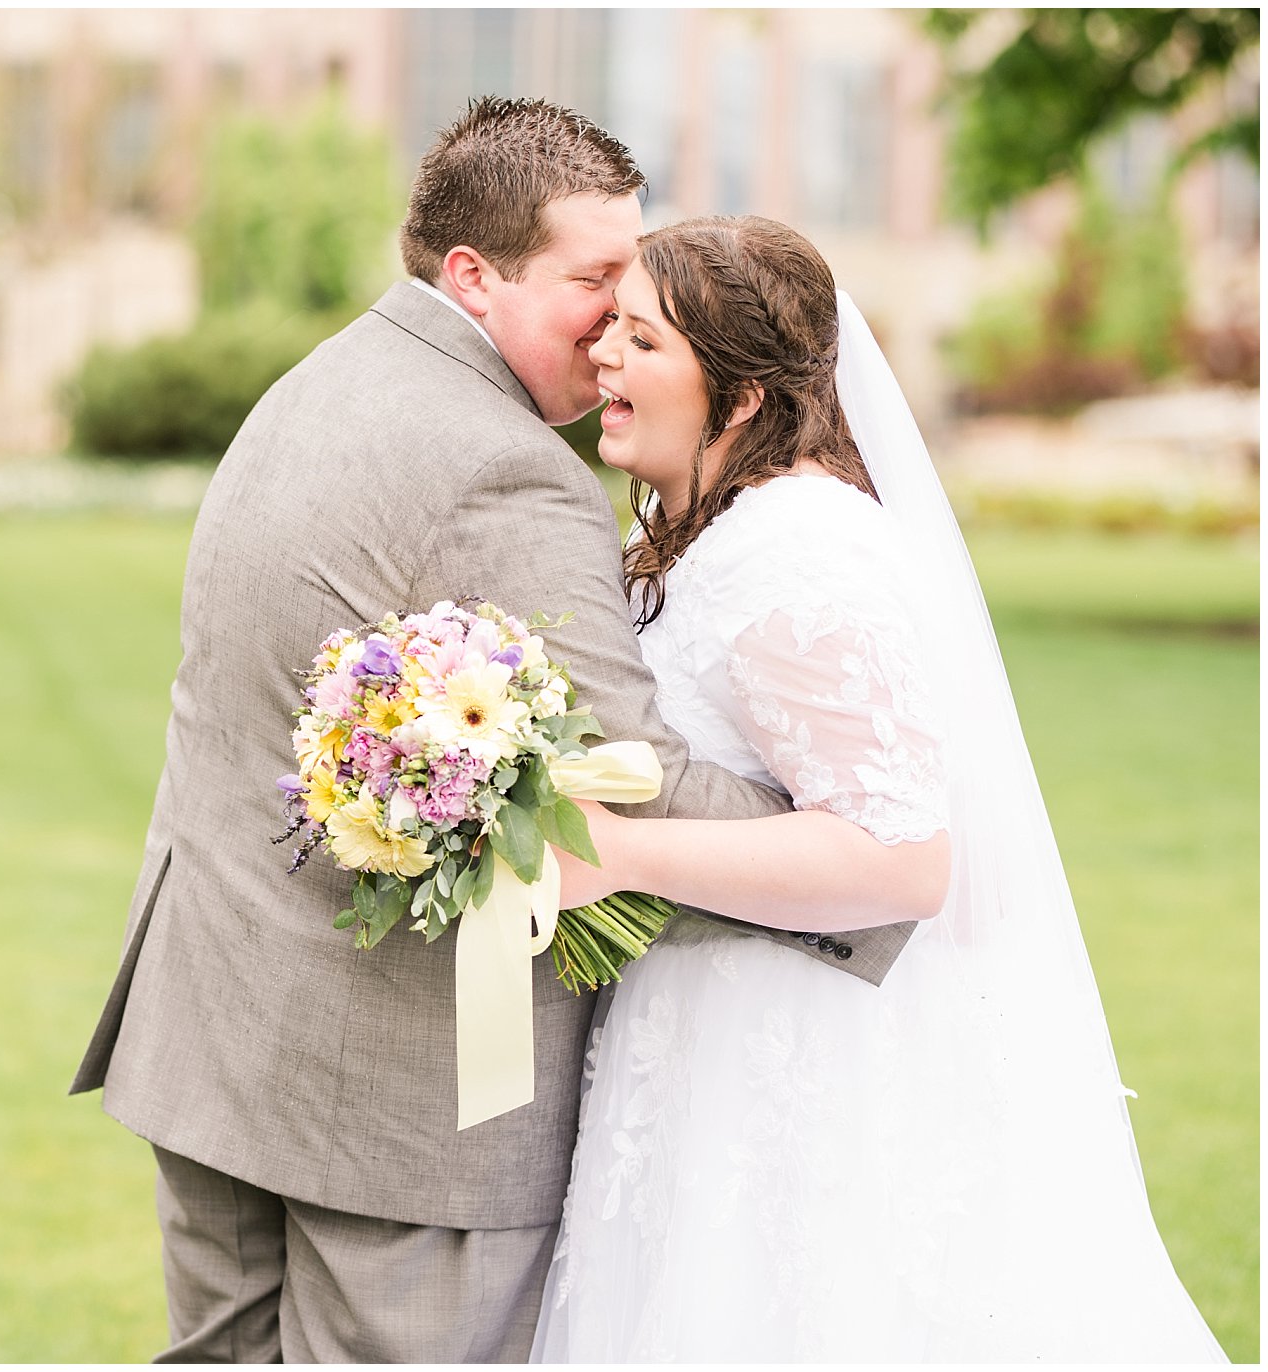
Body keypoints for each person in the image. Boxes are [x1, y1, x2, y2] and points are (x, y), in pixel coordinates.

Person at [69, 98, 903, 1363]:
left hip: (217, 1036)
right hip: (396, 1104)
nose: (624, 318)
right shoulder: (503, 468)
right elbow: (621, 793)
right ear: (473, 272)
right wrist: (857, 861)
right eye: (594, 279)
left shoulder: (319, 381)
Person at [530, 215, 1228, 1362]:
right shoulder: (703, 530)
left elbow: (901, 858)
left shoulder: (798, 553)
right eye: (609, 327)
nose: (603, 353)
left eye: (641, 341)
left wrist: (620, 854)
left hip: (801, 1062)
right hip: (701, 1034)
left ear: (740, 397)